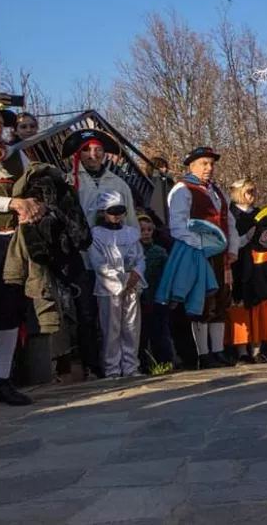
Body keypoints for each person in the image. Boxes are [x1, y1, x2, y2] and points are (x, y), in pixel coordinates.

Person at [155, 146, 241, 369]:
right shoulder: (182, 190)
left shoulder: (217, 191)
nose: (209, 168)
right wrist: (201, 246)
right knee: (202, 302)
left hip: (220, 254)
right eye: (204, 163)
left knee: (222, 300)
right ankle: (204, 354)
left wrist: (233, 249)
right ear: (191, 165)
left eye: (211, 164)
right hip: (197, 254)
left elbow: (228, 221)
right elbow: (177, 226)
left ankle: (218, 351)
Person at [62, 128, 136, 378]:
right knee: (86, 311)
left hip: (116, 261)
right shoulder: (70, 180)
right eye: (87, 150)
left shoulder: (119, 183)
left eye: (98, 150)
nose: (93, 154)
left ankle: (125, 364)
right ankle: (92, 364)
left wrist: (134, 260)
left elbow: (132, 222)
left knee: (120, 316)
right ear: (78, 154)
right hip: (83, 257)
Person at [0, 103, 42, 405]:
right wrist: (10, 204)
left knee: (8, 313)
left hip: (11, 242)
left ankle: (2, 379)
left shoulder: (15, 155)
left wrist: (36, 203)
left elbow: (31, 185)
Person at [89, 191, 145, 378]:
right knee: (111, 328)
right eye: (112, 211)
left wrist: (136, 274)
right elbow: (98, 263)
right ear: (103, 211)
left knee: (132, 327)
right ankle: (112, 368)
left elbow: (140, 257)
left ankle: (130, 366)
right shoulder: (95, 235)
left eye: (120, 211)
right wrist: (120, 280)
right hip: (108, 288)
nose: (116, 215)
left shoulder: (131, 233)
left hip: (132, 285)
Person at [231, 179, 267, 363]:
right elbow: (231, 239)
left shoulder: (260, 214)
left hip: (259, 269)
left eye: (254, 191)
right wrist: (246, 238)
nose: (252, 195)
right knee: (240, 307)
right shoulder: (232, 214)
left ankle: (257, 348)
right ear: (239, 193)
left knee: (259, 306)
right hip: (239, 267)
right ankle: (241, 349)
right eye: (248, 191)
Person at [136, 213, 174, 376]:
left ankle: (165, 362)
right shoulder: (134, 251)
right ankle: (143, 363)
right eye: (142, 229)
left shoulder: (159, 251)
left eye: (148, 229)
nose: (145, 233)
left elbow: (168, 275)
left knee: (160, 332)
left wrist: (169, 295)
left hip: (158, 296)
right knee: (141, 334)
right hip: (139, 297)